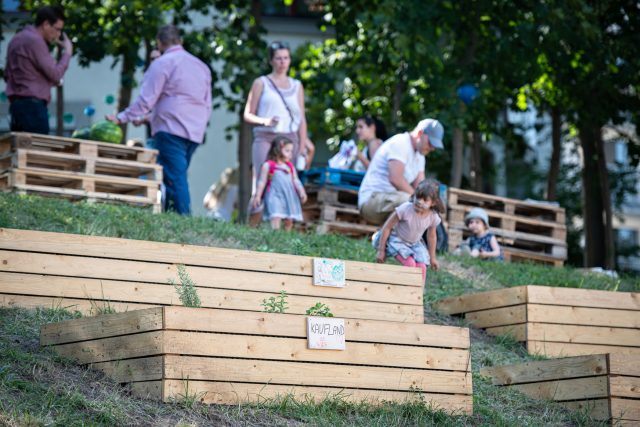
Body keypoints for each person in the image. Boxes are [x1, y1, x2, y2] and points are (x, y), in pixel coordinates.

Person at [107, 25, 212, 215]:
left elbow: (146, 100)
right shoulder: (201, 66)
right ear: (180, 41)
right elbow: (206, 103)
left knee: (175, 178)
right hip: (195, 132)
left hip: (170, 130)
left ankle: (183, 220)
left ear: (160, 43)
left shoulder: (163, 63)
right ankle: (172, 216)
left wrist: (121, 118)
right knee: (174, 175)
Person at [243, 41, 315, 225]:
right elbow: (247, 114)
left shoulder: (297, 85)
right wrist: (264, 121)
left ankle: (284, 233)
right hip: (266, 136)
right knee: (260, 180)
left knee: (288, 183)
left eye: (286, 58)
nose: (283, 62)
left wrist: (302, 142)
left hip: (289, 139)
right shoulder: (261, 83)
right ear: (271, 60)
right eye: (278, 58)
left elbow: (301, 117)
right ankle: (252, 227)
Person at [358, 118, 445, 225]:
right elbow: (396, 179)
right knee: (411, 202)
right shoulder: (400, 143)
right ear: (420, 133)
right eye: (430, 143)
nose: (432, 148)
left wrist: (431, 203)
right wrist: (422, 201)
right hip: (371, 201)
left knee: (426, 208)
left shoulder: (420, 156)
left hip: (391, 201)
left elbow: (421, 188)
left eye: (434, 145)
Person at [5, 6, 73, 134]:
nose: (58, 35)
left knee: (21, 152)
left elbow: (9, 75)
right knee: (37, 152)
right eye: (57, 29)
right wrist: (68, 52)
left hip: (16, 108)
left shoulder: (16, 39)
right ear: (46, 24)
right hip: (33, 109)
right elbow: (55, 75)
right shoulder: (35, 41)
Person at [373, 179, 444, 281]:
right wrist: (381, 250)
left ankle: (417, 295)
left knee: (422, 267)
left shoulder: (432, 216)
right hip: (398, 240)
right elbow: (387, 227)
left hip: (415, 244)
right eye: (418, 197)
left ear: (433, 203)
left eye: (425, 200)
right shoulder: (405, 209)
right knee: (410, 264)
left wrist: (432, 258)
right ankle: (406, 289)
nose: (419, 202)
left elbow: (432, 236)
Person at [252, 136, 307, 230]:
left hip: (289, 195)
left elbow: (296, 180)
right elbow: (262, 182)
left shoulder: (290, 167)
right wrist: (257, 195)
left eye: (291, 151)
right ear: (277, 150)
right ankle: (275, 233)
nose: (290, 154)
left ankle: (286, 235)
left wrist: (302, 191)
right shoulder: (268, 165)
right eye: (287, 150)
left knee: (289, 218)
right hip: (274, 195)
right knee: (275, 214)